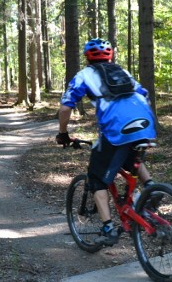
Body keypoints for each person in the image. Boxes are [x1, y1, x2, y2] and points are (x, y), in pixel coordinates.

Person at [56, 38, 158, 246]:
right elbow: (144, 95)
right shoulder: (123, 72)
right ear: (110, 56)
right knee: (130, 157)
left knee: (97, 179)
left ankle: (108, 228)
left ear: (87, 57)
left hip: (116, 128)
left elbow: (66, 107)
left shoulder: (84, 75)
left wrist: (63, 133)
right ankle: (151, 188)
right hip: (145, 123)